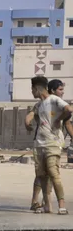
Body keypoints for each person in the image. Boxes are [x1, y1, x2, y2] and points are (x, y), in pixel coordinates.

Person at [25, 76, 73, 214]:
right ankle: (45, 205)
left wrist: (58, 119)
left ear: (36, 89)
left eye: (32, 89)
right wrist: (26, 122)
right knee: (41, 175)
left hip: (53, 143)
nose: (62, 92)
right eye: (60, 89)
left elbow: (68, 113)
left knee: (53, 173)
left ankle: (61, 205)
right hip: (39, 144)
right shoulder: (39, 104)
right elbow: (31, 114)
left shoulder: (55, 100)